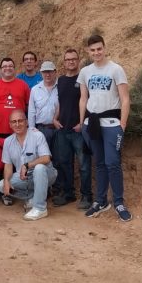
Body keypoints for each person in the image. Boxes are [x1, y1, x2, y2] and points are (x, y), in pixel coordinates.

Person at [78, 35, 132, 222]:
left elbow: (125, 99)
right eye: (92, 50)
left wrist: (122, 125)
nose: (96, 53)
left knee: (112, 163)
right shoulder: (85, 71)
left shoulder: (116, 69)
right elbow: (83, 98)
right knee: (99, 163)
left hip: (111, 125)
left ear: (104, 48)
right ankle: (101, 201)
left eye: (99, 49)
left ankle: (118, 202)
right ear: (88, 51)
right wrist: (81, 122)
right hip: (91, 124)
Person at [0, 109, 57, 220]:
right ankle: (33, 198)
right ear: (10, 124)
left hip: (46, 174)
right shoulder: (8, 142)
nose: (17, 124)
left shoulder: (37, 135)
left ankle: (40, 208)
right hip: (25, 178)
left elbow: (46, 158)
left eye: (20, 121)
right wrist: (6, 180)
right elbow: (8, 165)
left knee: (39, 168)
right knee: (1, 185)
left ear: (26, 122)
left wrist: (27, 165)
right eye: (14, 122)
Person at [53, 48, 93, 210]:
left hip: (79, 130)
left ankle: (86, 196)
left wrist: (82, 123)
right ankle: (68, 193)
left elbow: (89, 102)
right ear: (64, 62)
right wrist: (55, 119)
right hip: (63, 128)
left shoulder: (84, 79)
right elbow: (61, 103)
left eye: (74, 59)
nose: (71, 61)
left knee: (84, 164)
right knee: (64, 163)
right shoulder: (60, 80)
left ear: (78, 61)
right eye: (68, 59)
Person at [28, 61, 61, 202]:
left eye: (50, 71)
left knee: (59, 159)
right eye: (44, 72)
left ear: (55, 72)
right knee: (43, 161)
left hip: (58, 129)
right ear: (41, 73)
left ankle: (58, 189)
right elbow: (31, 110)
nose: (47, 74)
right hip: (41, 130)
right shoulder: (35, 89)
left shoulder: (60, 87)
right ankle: (44, 190)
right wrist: (31, 128)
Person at [0, 57, 30, 139]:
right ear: (0, 70)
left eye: (10, 66)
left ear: (14, 69)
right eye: (5, 66)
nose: (8, 68)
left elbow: (28, 106)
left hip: (18, 129)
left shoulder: (23, 85)